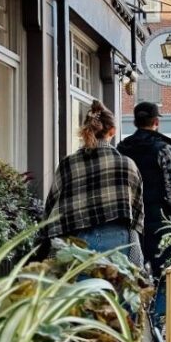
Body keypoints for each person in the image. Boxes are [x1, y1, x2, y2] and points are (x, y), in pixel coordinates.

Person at [43, 100, 144, 264]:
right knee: (116, 287)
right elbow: (136, 213)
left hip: (75, 245)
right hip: (118, 244)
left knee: (79, 289)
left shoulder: (68, 164)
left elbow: (52, 207)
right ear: (112, 131)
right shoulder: (127, 165)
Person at [117, 101, 171, 279]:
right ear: (156, 121)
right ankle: (160, 307)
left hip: (128, 223)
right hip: (158, 223)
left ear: (135, 122)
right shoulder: (164, 149)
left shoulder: (121, 149)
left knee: (131, 278)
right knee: (163, 277)